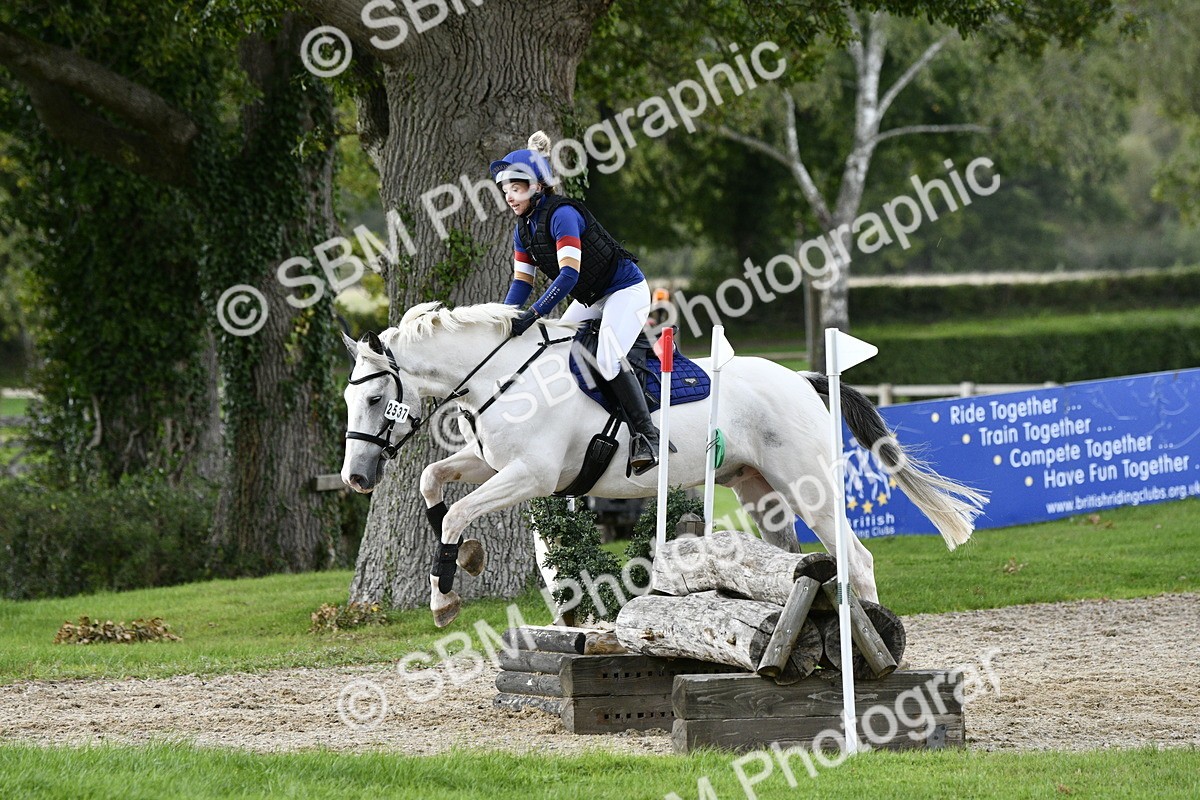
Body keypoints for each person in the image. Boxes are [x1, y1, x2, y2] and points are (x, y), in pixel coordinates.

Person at [490, 131, 662, 474]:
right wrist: (506, 319)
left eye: (517, 187)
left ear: (538, 186)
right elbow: (521, 282)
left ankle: (647, 435)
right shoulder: (522, 230)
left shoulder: (562, 215)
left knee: (608, 358)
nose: (509, 195)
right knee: (558, 351)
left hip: (625, 291)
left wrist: (534, 315)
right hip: (593, 297)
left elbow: (568, 276)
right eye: (506, 189)